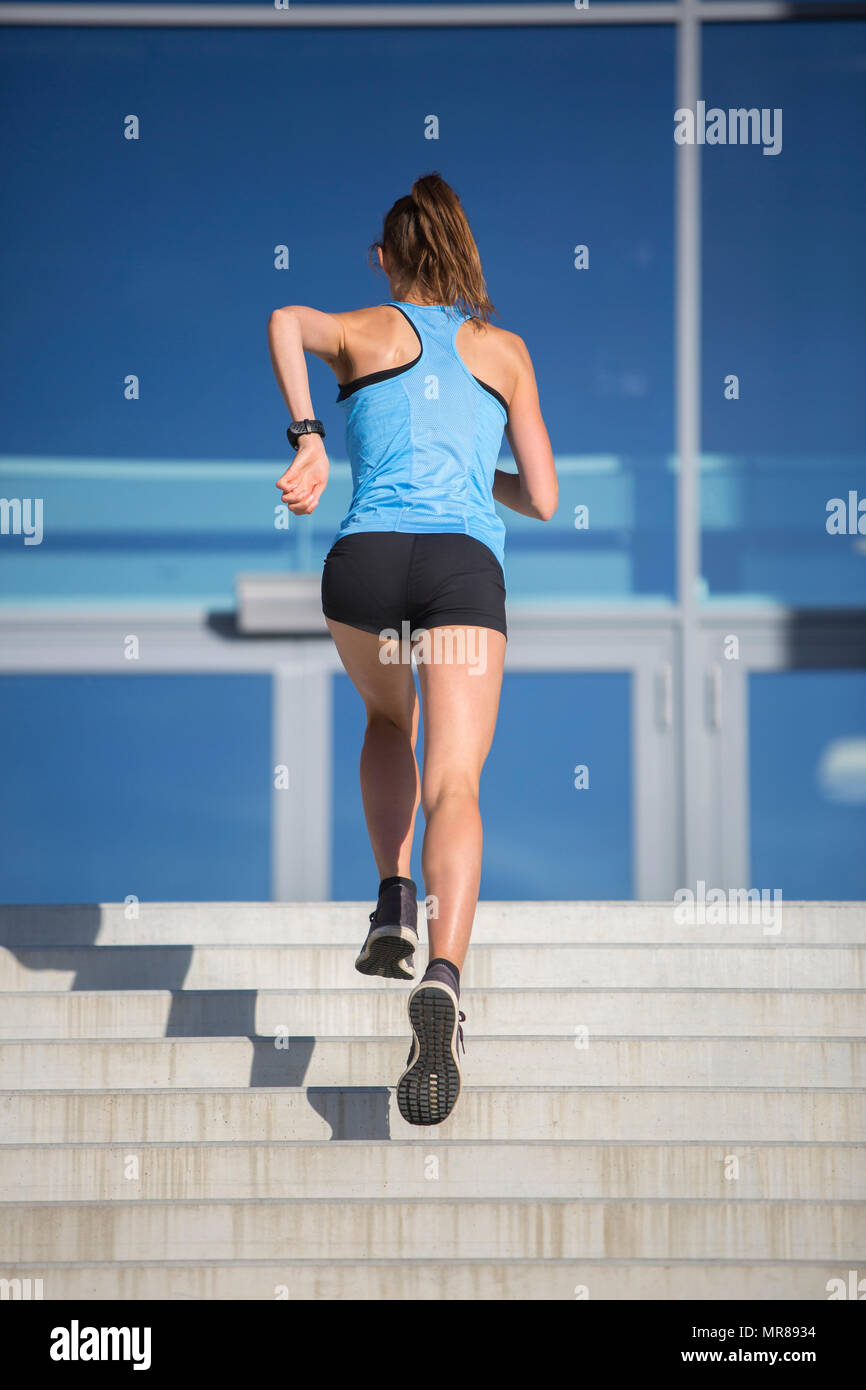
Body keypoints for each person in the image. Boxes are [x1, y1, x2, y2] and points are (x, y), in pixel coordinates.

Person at [267, 172, 557, 1124]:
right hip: (460, 571)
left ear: (388, 260)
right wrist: (477, 471)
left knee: (388, 716)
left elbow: (281, 318)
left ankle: (393, 894)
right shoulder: (504, 351)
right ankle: (442, 975)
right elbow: (545, 497)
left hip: (365, 564)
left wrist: (310, 437)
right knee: (458, 783)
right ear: (462, 255)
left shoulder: (360, 330)